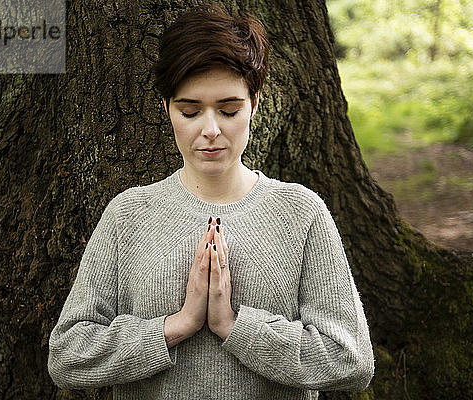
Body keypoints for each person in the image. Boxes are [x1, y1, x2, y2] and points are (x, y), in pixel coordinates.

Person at [48, 4, 374, 399]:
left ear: (255, 102)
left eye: (229, 109)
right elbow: (67, 355)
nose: (211, 130)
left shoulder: (301, 213)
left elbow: (351, 359)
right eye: (190, 111)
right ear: (166, 109)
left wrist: (235, 327)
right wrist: (176, 326)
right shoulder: (128, 215)